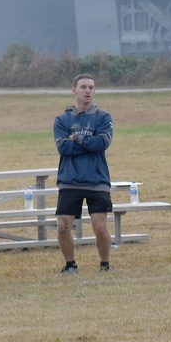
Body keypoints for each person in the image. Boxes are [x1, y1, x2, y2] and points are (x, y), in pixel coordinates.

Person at [53, 74, 115, 275]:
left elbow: (102, 143)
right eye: (83, 87)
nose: (88, 91)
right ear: (74, 90)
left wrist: (77, 139)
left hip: (97, 180)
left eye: (91, 87)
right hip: (70, 180)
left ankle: (105, 264)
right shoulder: (62, 119)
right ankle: (70, 265)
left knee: (99, 226)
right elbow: (63, 147)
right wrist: (89, 143)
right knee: (62, 226)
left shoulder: (103, 117)